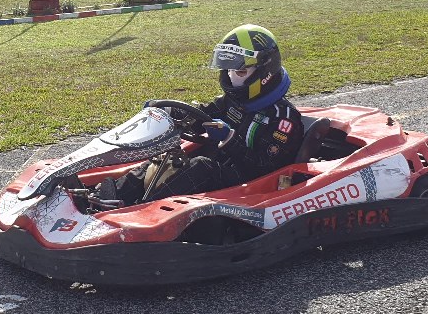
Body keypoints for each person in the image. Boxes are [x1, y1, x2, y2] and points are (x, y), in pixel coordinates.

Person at [97, 24, 304, 205]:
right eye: (229, 72)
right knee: (166, 157)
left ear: (264, 72)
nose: (232, 79)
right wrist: (169, 111)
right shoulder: (232, 101)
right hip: (223, 169)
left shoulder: (283, 119)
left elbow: (264, 166)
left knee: (201, 166)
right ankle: (107, 197)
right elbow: (200, 116)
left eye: (240, 72)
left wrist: (229, 139)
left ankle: (141, 209)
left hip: (252, 183)